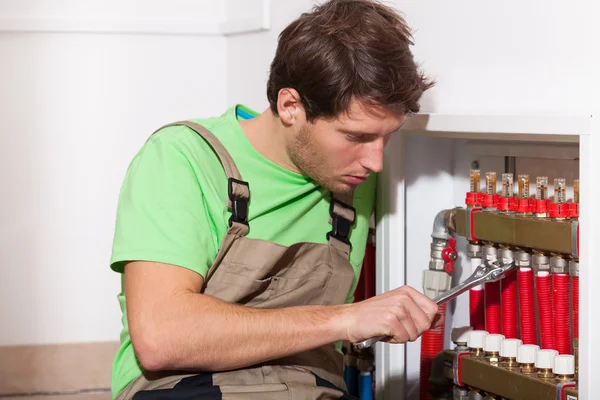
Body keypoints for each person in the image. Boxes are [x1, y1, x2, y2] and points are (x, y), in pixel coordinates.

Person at [109, 0, 440, 399]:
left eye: (388, 136)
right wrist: (344, 319)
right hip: (181, 385)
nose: (376, 162)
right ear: (290, 107)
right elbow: (162, 336)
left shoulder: (354, 174)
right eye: (356, 137)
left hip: (309, 387)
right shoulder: (182, 159)